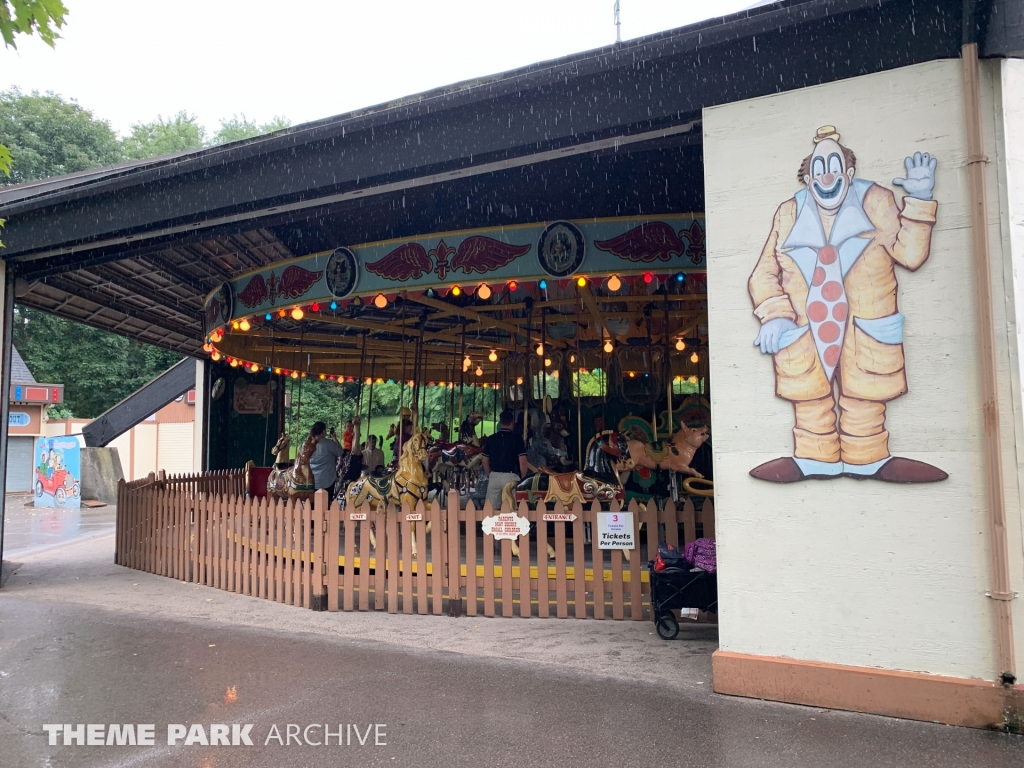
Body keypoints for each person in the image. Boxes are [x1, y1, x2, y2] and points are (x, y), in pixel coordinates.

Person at [748, 125, 946, 483]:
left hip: (864, 329)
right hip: (807, 331)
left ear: (848, 173)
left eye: (834, 164)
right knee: (809, 400)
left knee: (865, 399)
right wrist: (775, 316)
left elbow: (912, 255)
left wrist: (919, 200)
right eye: (818, 166)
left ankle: (868, 459)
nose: (826, 174)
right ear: (808, 177)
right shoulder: (788, 213)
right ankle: (813, 459)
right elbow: (764, 273)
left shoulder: (876, 202)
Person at [481, 409, 528, 509]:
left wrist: (490, 474)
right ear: (512, 423)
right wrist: (523, 478)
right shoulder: (517, 439)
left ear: (500, 422)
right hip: (510, 476)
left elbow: (484, 460)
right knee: (511, 508)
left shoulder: (491, 439)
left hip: (494, 475)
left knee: (491, 509)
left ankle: (491, 524)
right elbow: (523, 462)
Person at [308, 421, 344, 505]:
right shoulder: (329, 443)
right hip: (326, 479)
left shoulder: (309, 444)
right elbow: (341, 452)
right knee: (325, 505)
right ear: (323, 431)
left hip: (311, 480)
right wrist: (334, 438)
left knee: (312, 505)